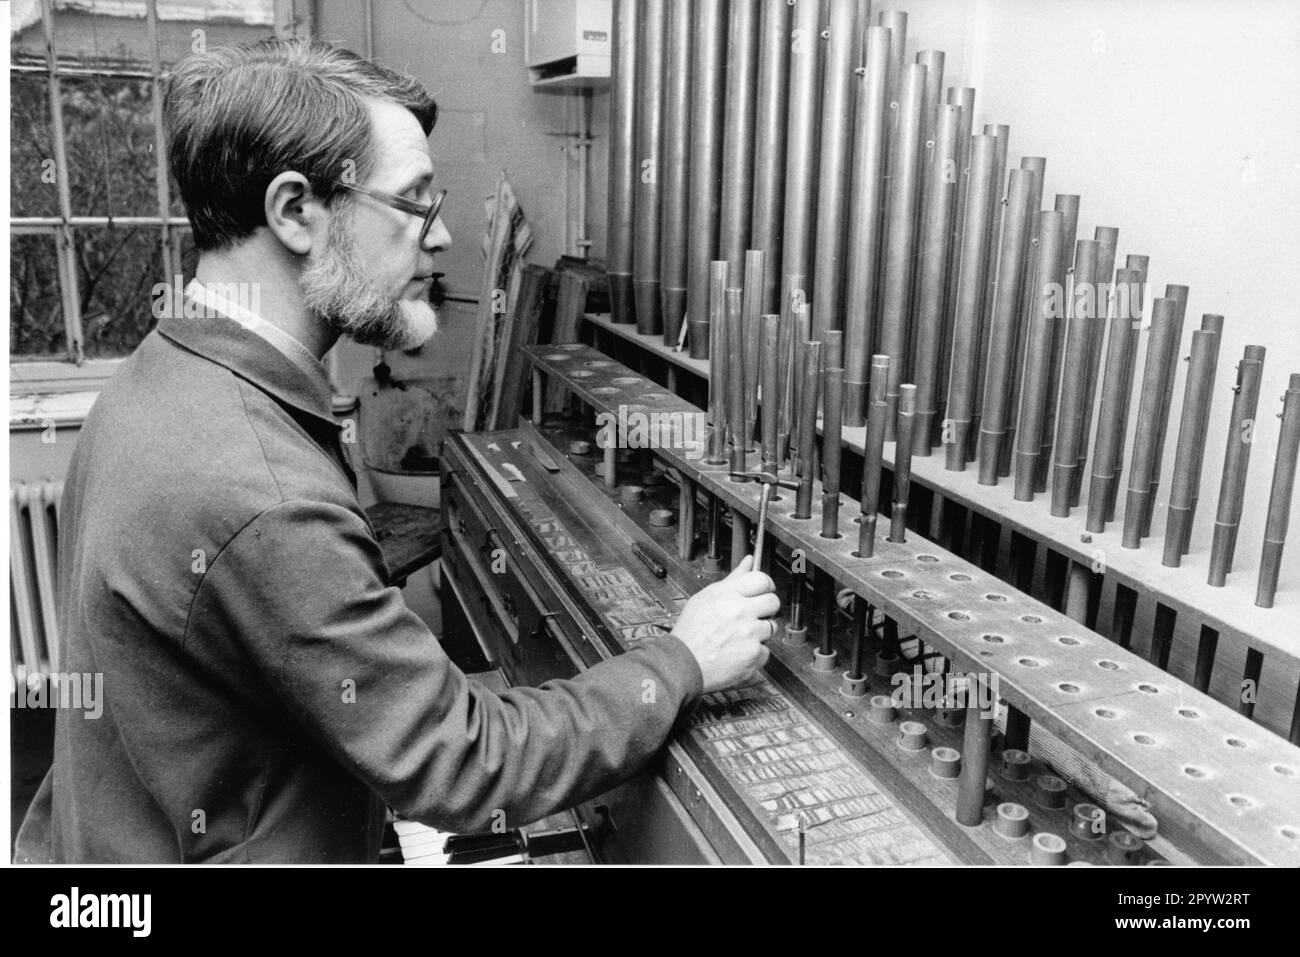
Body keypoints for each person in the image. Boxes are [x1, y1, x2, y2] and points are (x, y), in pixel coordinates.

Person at [15, 37, 777, 864]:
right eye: (415, 203)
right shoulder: (259, 490)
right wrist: (681, 659)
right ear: (296, 211)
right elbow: (462, 760)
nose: (443, 235)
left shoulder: (155, 374)